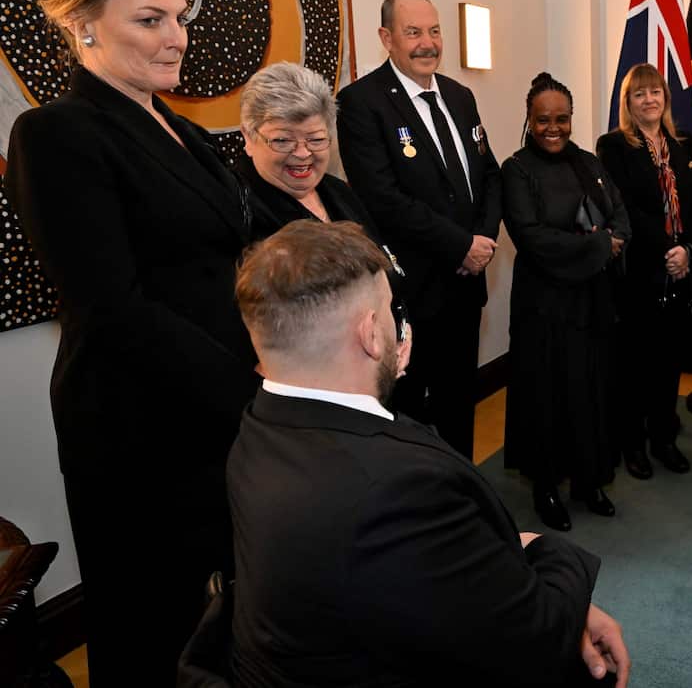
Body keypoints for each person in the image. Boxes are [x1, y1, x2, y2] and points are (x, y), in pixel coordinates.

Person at [3, 0, 259, 685]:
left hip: (219, 410)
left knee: (224, 614)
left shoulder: (183, 128)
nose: (176, 36)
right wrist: (251, 388)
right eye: (150, 19)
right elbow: (114, 308)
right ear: (84, 24)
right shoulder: (56, 134)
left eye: (179, 17)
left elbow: (229, 260)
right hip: (138, 427)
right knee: (155, 626)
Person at [226, 220, 630, 687]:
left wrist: (501, 550)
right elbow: (537, 638)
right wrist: (543, 547)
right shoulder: (397, 489)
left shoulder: (258, 428)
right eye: (390, 309)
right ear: (372, 334)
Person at [337, 0, 502, 460]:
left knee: (458, 406)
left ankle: (463, 495)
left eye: (433, 31)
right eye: (413, 33)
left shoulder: (459, 95)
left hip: (468, 286)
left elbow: (488, 174)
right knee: (407, 415)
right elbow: (382, 200)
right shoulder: (361, 103)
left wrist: (483, 242)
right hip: (412, 293)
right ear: (386, 38)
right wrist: (460, 246)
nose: (427, 43)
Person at [502, 72, 631, 531]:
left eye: (561, 119)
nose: (552, 128)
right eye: (543, 120)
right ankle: (546, 487)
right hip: (545, 304)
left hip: (593, 301)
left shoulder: (590, 162)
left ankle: (588, 480)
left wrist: (608, 242)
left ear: (571, 119)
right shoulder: (515, 170)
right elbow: (533, 238)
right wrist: (600, 248)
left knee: (593, 388)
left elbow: (620, 216)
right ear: (529, 120)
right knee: (548, 394)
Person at [597, 63, 692, 478]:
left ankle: (664, 438)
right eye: (639, 94)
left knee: (669, 363)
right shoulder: (613, 146)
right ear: (628, 102)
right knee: (636, 364)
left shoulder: (683, 145)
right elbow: (622, 206)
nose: (649, 100)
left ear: (666, 98)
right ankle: (633, 444)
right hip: (642, 271)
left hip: (681, 271)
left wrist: (688, 250)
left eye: (655, 92)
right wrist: (669, 249)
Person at [238, 61, 379, 238]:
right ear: (249, 137)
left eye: (316, 140)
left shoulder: (339, 190)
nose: (303, 153)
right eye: (283, 141)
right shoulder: (237, 212)